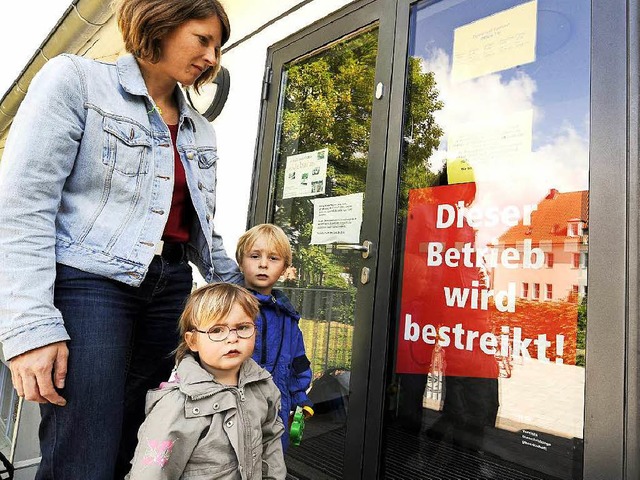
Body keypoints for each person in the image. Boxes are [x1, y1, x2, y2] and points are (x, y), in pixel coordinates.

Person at [0, 0, 243, 477]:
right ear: (161, 22)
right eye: (203, 39)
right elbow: (24, 207)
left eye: (219, 46)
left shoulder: (200, 130)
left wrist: (247, 292)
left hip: (171, 288)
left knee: (146, 441)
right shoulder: (75, 81)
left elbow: (200, 226)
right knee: (85, 448)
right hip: (90, 287)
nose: (213, 58)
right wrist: (28, 328)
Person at [126, 283, 286, 480]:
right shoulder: (175, 406)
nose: (232, 338)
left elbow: (270, 443)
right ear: (192, 341)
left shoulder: (262, 386)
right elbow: (151, 473)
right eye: (217, 330)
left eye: (242, 327)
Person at [236, 224, 314, 450]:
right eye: (254, 256)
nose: (263, 264)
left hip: (276, 407)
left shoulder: (288, 318)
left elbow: (297, 361)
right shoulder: (230, 308)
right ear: (241, 262)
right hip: (233, 404)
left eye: (273, 258)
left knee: (272, 462)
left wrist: (300, 397)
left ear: (284, 268)